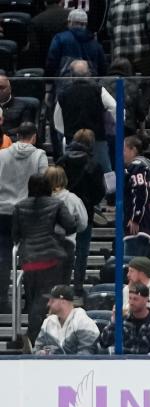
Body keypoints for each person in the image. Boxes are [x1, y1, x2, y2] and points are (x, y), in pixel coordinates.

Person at [13, 174, 75, 343]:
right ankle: (33, 337)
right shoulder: (57, 204)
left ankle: (35, 336)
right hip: (51, 259)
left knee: (35, 300)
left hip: (29, 261)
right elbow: (71, 226)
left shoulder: (19, 207)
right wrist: (56, 232)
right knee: (46, 300)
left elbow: (15, 235)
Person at [0, 122, 48, 313]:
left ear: (16, 135)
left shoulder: (2, 154)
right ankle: (30, 301)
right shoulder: (39, 156)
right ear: (34, 136)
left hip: (2, 211)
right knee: (30, 257)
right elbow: (44, 184)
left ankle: (2, 299)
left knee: (2, 257)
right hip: (29, 212)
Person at [57, 129, 105, 297]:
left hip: (61, 210)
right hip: (86, 210)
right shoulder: (94, 164)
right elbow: (100, 191)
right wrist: (91, 203)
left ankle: (61, 284)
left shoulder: (61, 161)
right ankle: (78, 285)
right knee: (82, 251)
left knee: (62, 248)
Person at [53, 60, 117, 172]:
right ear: (88, 74)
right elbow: (115, 108)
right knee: (106, 172)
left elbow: (57, 120)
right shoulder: (98, 90)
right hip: (97, 139)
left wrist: (67, 132)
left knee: (73, 173)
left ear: (71, 76)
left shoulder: (63, 94)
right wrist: (112, 127)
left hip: (73, 141)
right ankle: (110, 190)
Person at [97, 282, 150, 355]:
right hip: (122, 364)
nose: (131, 302)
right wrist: (113, 321)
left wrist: (137, 363)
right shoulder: (122, 321)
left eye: (135, 299)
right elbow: (104, 343)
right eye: (130, 298)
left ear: (146, 300)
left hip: (147, 365)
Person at [121, 135, 150, 263]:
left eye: (124, 150)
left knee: (132, 268)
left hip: (139, 227)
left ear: (133, 150)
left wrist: (135, 218)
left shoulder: (137, 166)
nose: (122, 154)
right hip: (145, 226)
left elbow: (141, 192)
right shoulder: (141, 167)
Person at [46, 165, 86, 283]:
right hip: (66, 244)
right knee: (63, 283)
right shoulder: (73, 199)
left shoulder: (39, 199)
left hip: (43, 245)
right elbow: (83, 223)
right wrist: (73, 229)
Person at [33, 284, 100, 355]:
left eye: (52, 301)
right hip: (52, 365)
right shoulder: (48, 322)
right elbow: (36, 350)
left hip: (77, 365)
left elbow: (86, 354)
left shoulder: (83, 322)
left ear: (63, 302)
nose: (48, 304)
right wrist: (43, 353)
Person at [45, 9, 108, 79]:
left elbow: (51, 62)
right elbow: (103, 68)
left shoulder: (59, 39)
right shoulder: (95, 43)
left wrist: (49, 81)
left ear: (70, 22)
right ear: (86, 24)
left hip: (64, 86)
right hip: (90, 87)